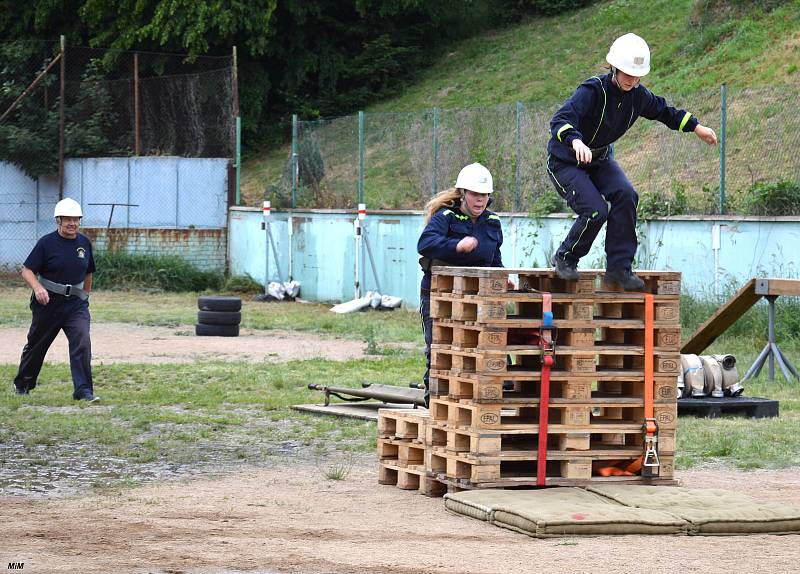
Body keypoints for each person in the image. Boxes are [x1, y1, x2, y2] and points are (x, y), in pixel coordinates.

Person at [547, 32, 718, 290]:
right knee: (595, 210)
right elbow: (560, 119)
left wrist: (697, 127)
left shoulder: (639, 96)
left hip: (599, 159)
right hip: (566, 161)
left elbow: (665, 112)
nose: (632, 80)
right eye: (627, 74)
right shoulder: (592, 90)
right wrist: (575, 140)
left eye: (637, 75)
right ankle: (565, 258)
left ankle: (618, 268)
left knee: (627, 194)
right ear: (614, 68)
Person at [417, 162, 504, 407]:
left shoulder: (493, 222)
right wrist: (456, 246)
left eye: (485, 195)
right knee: (439, 349)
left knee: (478, 348)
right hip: (439, 295)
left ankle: (472, 401)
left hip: (477, 296)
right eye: (475, 195)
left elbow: (494, 257)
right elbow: (425, 244)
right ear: (463, 194)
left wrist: (501, 277)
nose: (480, 200)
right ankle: (434, 402)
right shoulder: (445, 216)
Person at [13, 197, 99, 402]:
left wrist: (85, 295)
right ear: (58, 221)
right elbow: (27, 270)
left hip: (75, 305)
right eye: (67, 219)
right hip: (47, 304)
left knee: (82, 341)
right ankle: (23, 384)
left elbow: (89, 272)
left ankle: (83, 391)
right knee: (36, 345)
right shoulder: (47, 243)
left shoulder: (84, 243)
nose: (72, 223)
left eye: (76, 219)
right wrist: (38, 288)